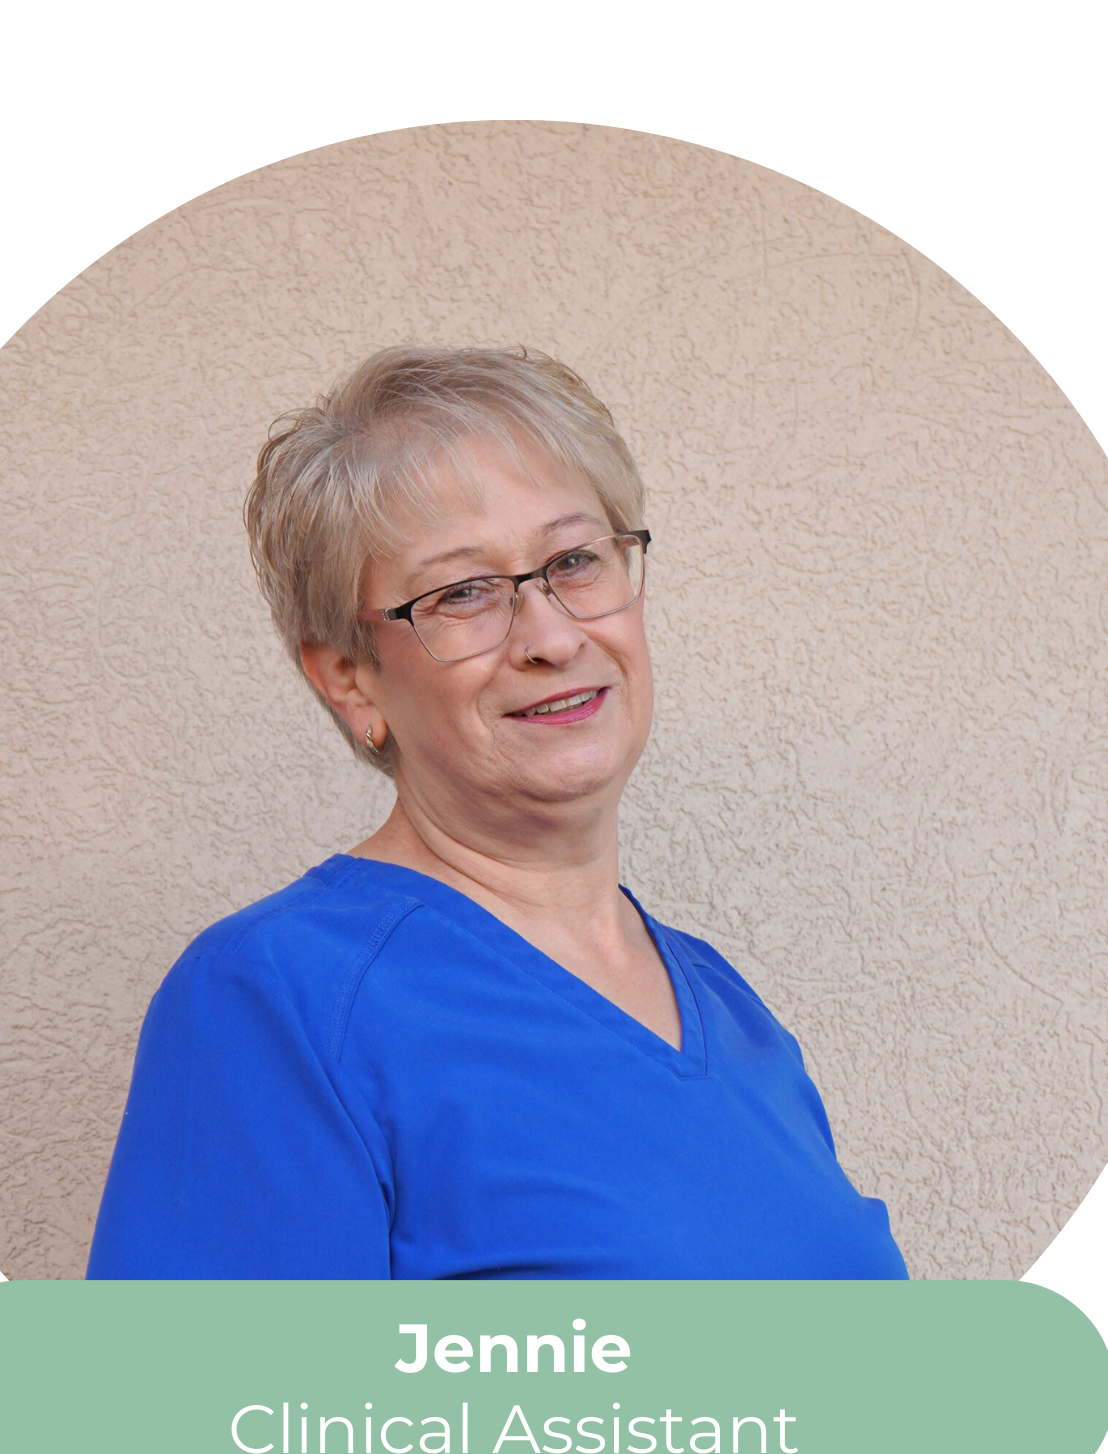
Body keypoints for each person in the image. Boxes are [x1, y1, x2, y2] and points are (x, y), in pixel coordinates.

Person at [86, 346, 907, 1280]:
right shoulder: (277, 999)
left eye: (574, 561)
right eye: (464, 592)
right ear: (352, 679)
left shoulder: (726, 1005)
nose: (553, 636)